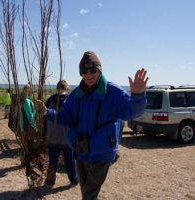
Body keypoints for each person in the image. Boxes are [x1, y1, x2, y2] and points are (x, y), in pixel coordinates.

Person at [36, 51, 148, 199]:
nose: (89, 75)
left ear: (99, 70)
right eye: (84, 71)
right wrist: (46, 112)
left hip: (101, 154)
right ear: (80, 73)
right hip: (80, 152)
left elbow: (132, 112)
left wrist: (138, 95)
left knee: (88, 195)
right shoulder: (76, 94)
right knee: (87, 194)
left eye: (93, 70)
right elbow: (64, 118)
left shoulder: (113, 92)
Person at [44, 80, 78, 187]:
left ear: (57, 88)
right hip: (68, 137)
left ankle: (50, 181)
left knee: (52, 162)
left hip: (53, 136)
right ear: (67, 88)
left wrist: (46, 133)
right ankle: (73, 180)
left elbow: (45, 118)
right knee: (70, 161)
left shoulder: (49, 100)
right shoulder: (71, 101)